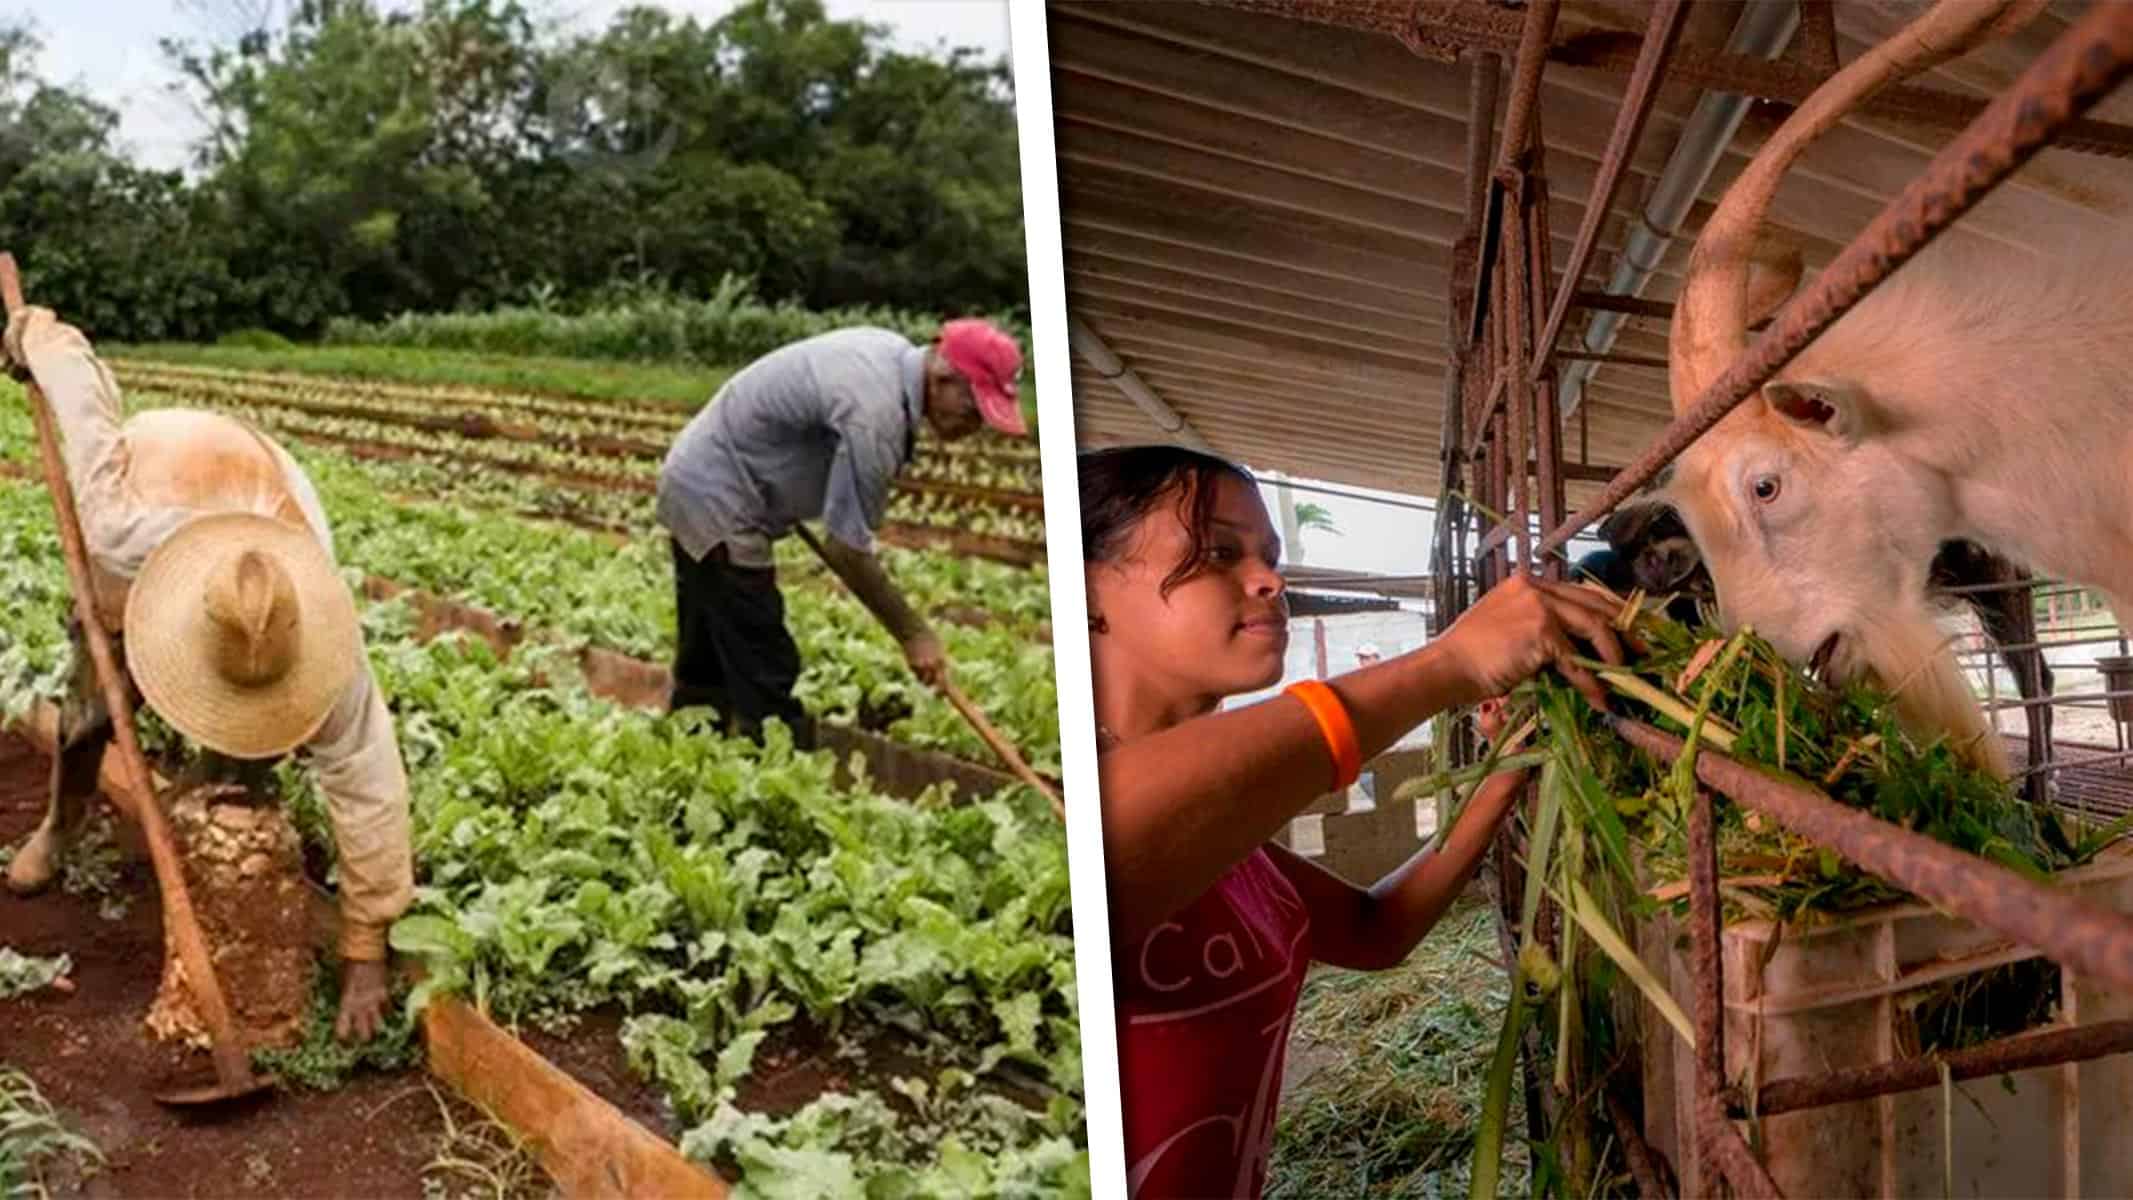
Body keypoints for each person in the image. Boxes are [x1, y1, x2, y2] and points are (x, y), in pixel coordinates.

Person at [1080, 444, 1626, 1199]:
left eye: (1270, 556)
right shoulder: (1048, 795)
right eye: (1215, 553)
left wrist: (1507, 770)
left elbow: (1375, 929)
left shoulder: (1216, 834)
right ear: (1085, 593)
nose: (1271, 580)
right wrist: (1445, 665)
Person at [1, 305, 413, 1043]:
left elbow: (369, 785)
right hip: (164, 477)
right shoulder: (118, 527)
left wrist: (365, 954)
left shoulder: (303, 616)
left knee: (244, 754)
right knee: (91, 711)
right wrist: (35, 336)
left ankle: (217, 801)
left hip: (262, 485)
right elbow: (81, 400)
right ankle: (60, 827)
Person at [655, 319, 1030, 747]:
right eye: (973, 410)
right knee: (765, 666)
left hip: (699, 476)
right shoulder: (875, 417)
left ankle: (689, 749)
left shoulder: (888, 353)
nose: (975, 425)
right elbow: (847, 550)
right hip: (718, 497)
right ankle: (776, 783)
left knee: (708, 648)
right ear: (943, 376)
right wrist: (914, 634)